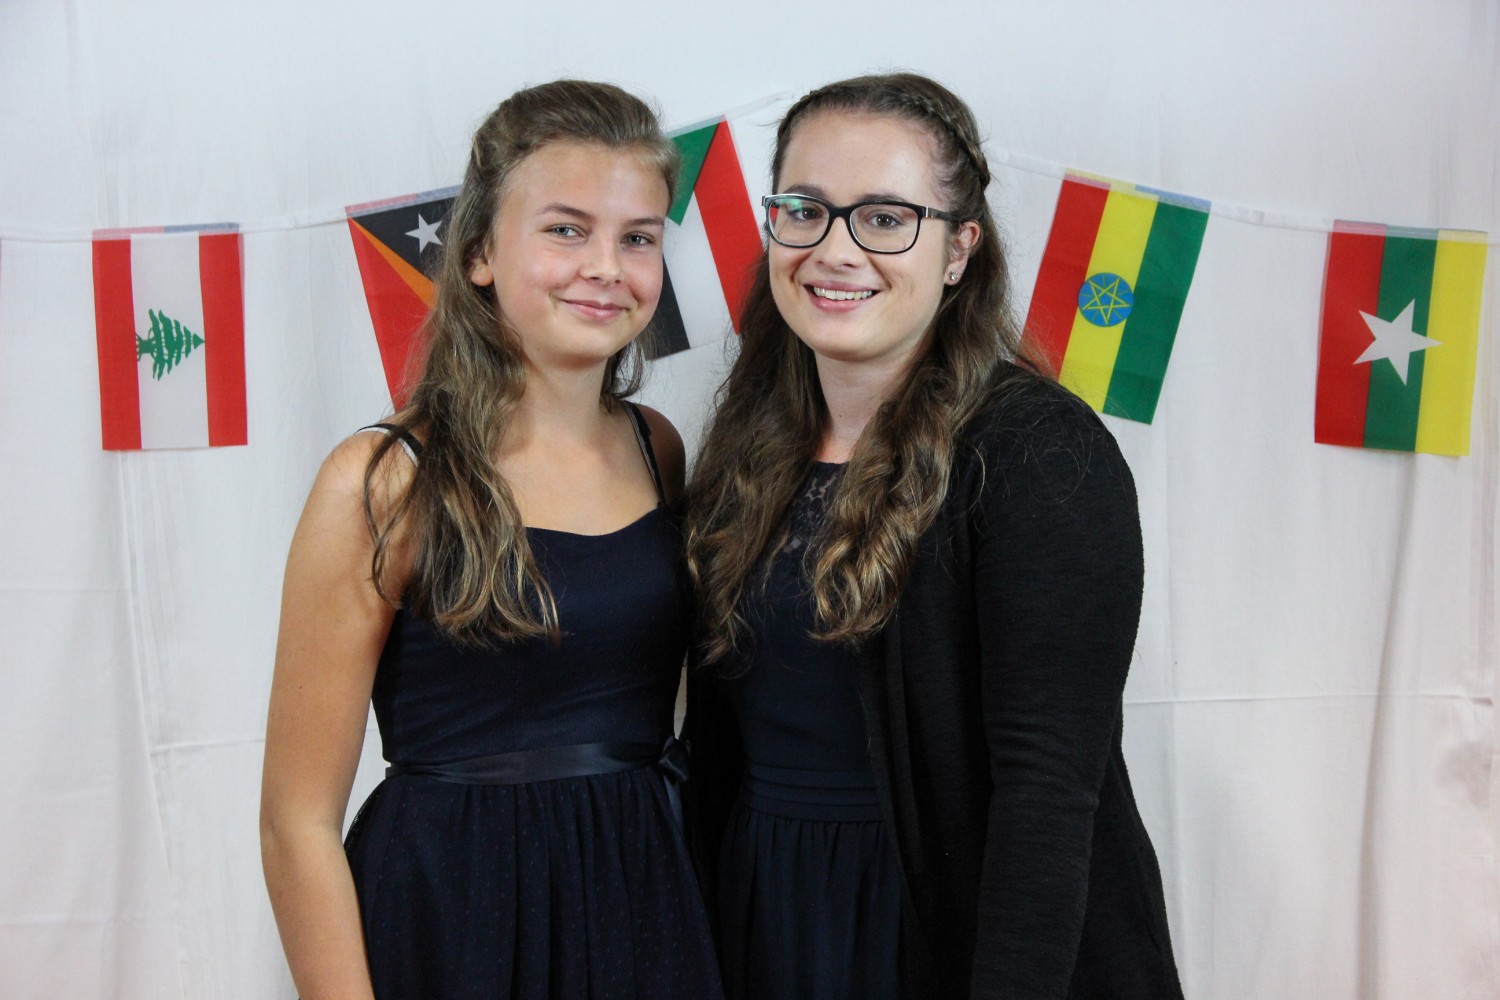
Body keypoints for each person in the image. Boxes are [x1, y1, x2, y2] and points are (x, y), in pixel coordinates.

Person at [683, 73, 1184, 1000]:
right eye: (805, 210)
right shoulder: (745, 448)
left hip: (943, 926)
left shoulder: (1037, 451)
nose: (835, 249)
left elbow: (1047, 794)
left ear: (959, 250)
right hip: (772, 910)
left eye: (885, 218)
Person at [260, 80, 723, 1000]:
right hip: (453, 913)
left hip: (643, 901)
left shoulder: (656, 447)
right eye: (566, 230)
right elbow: (295, 824)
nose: (606, 267)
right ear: (478, 251)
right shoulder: (385, 480)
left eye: (637, 238)